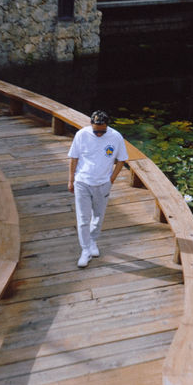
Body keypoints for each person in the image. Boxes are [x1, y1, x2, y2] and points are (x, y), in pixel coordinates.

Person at [67, 110, 129, 268]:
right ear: (91, 125)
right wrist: (71, 180)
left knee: (99, 215)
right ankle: (85, 250)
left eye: (102, 131)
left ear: (107, 125)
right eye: (96, 131)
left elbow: (122, 160)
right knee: (83, 218)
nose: (99, 134)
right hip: (82, 182)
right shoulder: (82, 135)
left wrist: (112, 179)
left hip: (103, 183)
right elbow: (73, 158)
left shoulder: (116, 137)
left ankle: (93, 240)